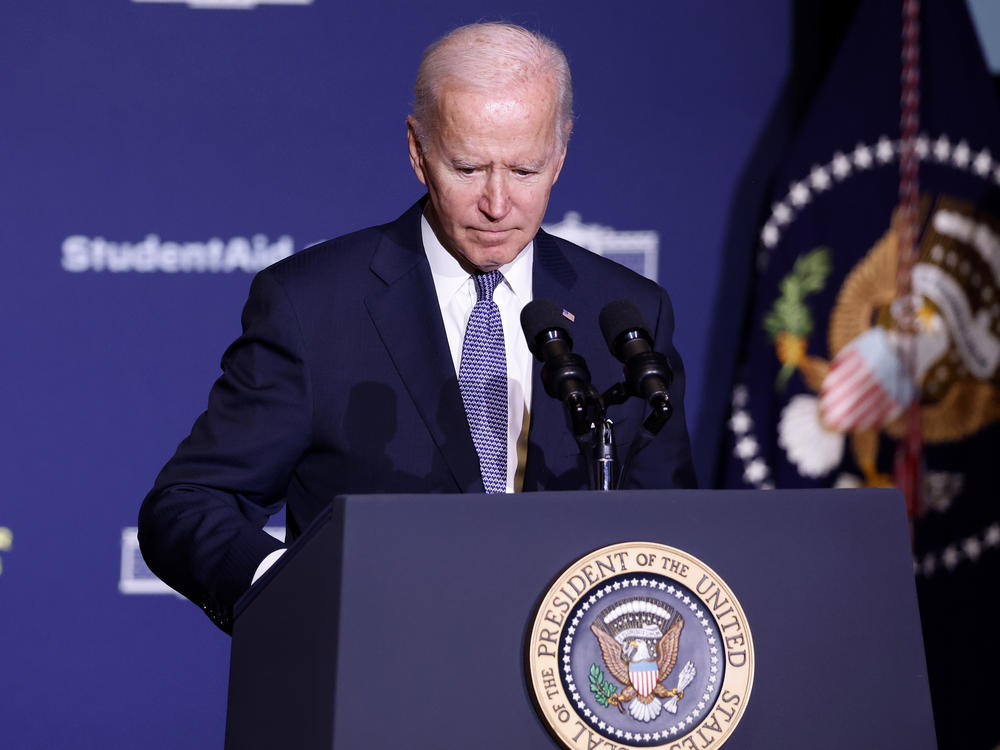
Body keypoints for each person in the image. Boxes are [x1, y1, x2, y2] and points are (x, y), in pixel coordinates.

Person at [138, 22, 696, 633]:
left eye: (526, 171)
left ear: (560, 155)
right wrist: (286, 589)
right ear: (417, 150)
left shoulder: (626, 312)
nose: (496, 202)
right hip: (374, 687)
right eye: (467, 167)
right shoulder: (312, 306)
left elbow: (672, 537)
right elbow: (187, 504)